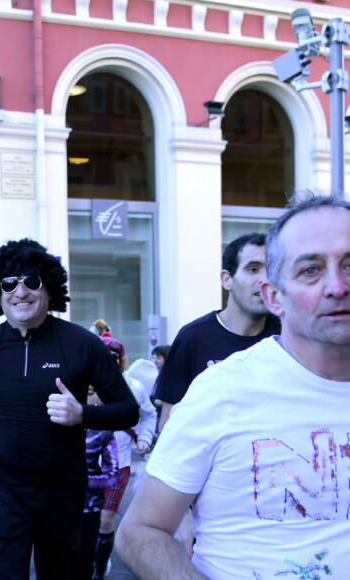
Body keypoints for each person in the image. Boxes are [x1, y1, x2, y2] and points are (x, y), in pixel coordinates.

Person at [116, 194, 350, 579]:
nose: (337, 286)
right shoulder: (222, 390)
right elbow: (141, 531)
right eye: (311, 269)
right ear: (274, 296)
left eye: (349, 264)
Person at [0, 238, 139, 579]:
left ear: (49, 289)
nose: (20, 291)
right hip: (3, 490)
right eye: (10, 283)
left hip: (62, 492)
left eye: (32, 282)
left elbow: (129, 410)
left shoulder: (82, 344)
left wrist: (82, 414)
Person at [155, 232, 280, 434]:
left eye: (272, 270)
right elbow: (169, 425)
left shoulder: (289, 336)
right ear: (227, 280)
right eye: (253, 269)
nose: (265, 279)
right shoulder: (193, 338)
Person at [94, 333, 157, 580]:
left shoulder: (133, 387)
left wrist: (144, 437)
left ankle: (99, 571)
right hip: (81, 464)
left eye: (113, 358)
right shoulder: (80, 382)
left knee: (105, 519)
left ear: (120, 360)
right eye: (101, 357)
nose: (106, 362)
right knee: (82, 520)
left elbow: (149, 415)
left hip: (117, 465)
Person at [76, 387, 119, 580]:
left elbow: (112, 475)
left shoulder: (103, 431)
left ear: (98, 396)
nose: (85, 396)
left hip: (89, 509)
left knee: (84, 567)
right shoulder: (53, 423)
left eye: (91, 391)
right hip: (54, 507)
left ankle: (99, 572)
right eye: (79, 389)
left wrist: (82, 481)